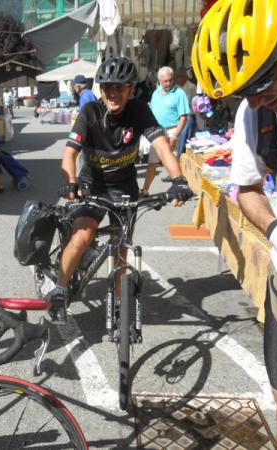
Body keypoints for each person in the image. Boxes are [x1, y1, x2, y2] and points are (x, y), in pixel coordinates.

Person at [192, 1, 277, 448]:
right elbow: (249, 189)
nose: (255, 101)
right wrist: (276, 231)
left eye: (261, 84)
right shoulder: (254, 114)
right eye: (245, 92)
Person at [46, 57, 192, 322]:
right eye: (108, 87)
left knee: (121, 246)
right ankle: (59, 289)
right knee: (82, 235)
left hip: (124, 187)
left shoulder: (139, 111)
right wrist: (71, 181)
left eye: (120, 87)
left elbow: (161, 146)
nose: (114, 93)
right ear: (101, 89)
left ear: (131, 89)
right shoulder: (90, 112)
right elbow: (69, 154)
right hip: (92, 185)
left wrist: (179, 180)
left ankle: (117, 298)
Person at [141, 66, 190, 194]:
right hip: (157, 132)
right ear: (159, 81)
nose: (168, 83)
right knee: (152, 163)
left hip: (173, 130)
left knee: (173, 163)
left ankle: (180, 192)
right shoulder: (156, 93)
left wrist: (174, 136)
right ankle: (145, 190)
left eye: (170, 80)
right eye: (165, 81)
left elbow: (183, 118)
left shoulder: (179, 93)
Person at [174, 68, 197, 158]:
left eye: (178, 77)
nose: (177, 79)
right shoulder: (177, 88)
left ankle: (181, 157)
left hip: (189, 116)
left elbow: (193, 104)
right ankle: (178, 157)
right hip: (178, 117)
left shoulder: (191, 87)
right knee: (179, 138)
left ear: (184, 77)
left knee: (184, 138)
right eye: (176, 77)